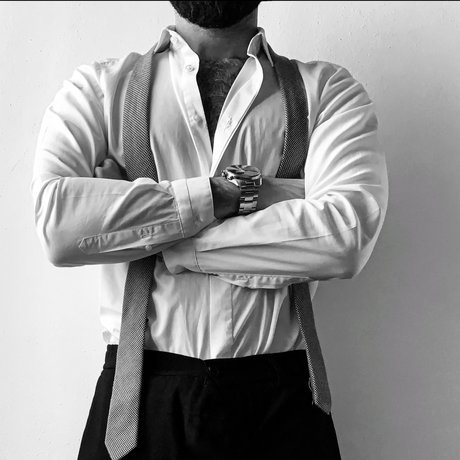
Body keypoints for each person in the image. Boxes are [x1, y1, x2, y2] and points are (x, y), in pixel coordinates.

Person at [31, 1, 388, 459]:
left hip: (281, 407)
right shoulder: (99, 91)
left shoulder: (328, 91)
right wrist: (232, 197)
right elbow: (59, 229)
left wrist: (154, 231)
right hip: (138, 406)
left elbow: (344, 238)